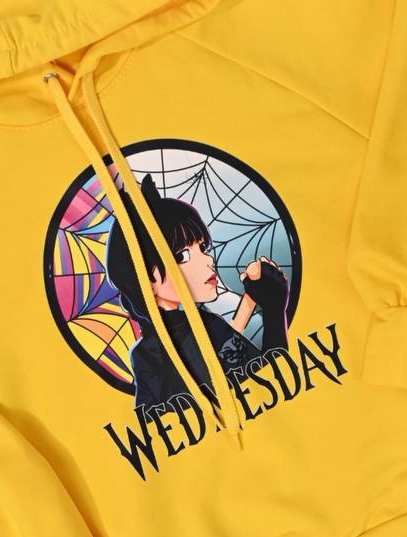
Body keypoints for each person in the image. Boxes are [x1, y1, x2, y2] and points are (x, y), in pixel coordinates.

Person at [105, 173, 290, 411]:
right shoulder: (149, 355)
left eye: (203, 247)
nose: (208, 260)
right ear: (144, 280)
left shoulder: (206, 323)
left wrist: (267, 306)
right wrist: (274, 312)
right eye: (182, 256)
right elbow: (272, 381)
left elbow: (267, 379)